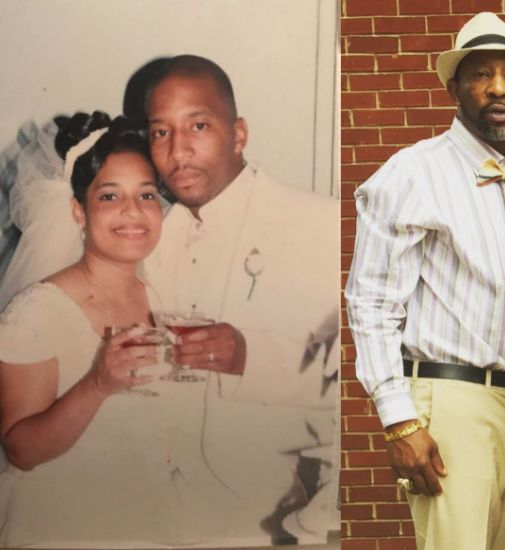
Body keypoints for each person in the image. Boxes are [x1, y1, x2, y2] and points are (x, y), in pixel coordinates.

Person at [345, 12, 505, 550]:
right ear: (454, 87)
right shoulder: (413, 172)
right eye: (481, 74)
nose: (498, 88)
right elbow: (370, 302)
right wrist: (399, 422)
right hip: (451, 399)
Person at [142, 55, 339, 545]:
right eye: (160, 132)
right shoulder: (149, 236)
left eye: (199, 125)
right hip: (161, 505)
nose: (178, 151)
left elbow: (358, 377)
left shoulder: (320, 222)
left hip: (275, 511)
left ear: (239, 134)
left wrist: (250, 356)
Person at [0, 113, 199, 546]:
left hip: (152, 516)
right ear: (78, 211)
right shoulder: (35, 312)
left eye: (146, 195)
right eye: (110, 196)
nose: (133, 211)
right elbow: (21, 450)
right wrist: (95, 385)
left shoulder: (161, 297)